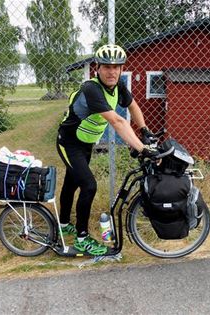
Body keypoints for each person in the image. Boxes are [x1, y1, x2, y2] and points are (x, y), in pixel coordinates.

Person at [56, 44, 159, 255]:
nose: (112, 71)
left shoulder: (118, 85)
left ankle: (64, 224)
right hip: (69, 142)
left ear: (121, 69)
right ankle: (82, 238)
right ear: (98, 68)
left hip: (85, 144)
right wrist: (142, 149)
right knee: (89, 186)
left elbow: (133, 106)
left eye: (116, 67)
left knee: (71, 182)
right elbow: (117, 121)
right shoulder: (91, 89)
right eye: (106, 67)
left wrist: (145, 130)